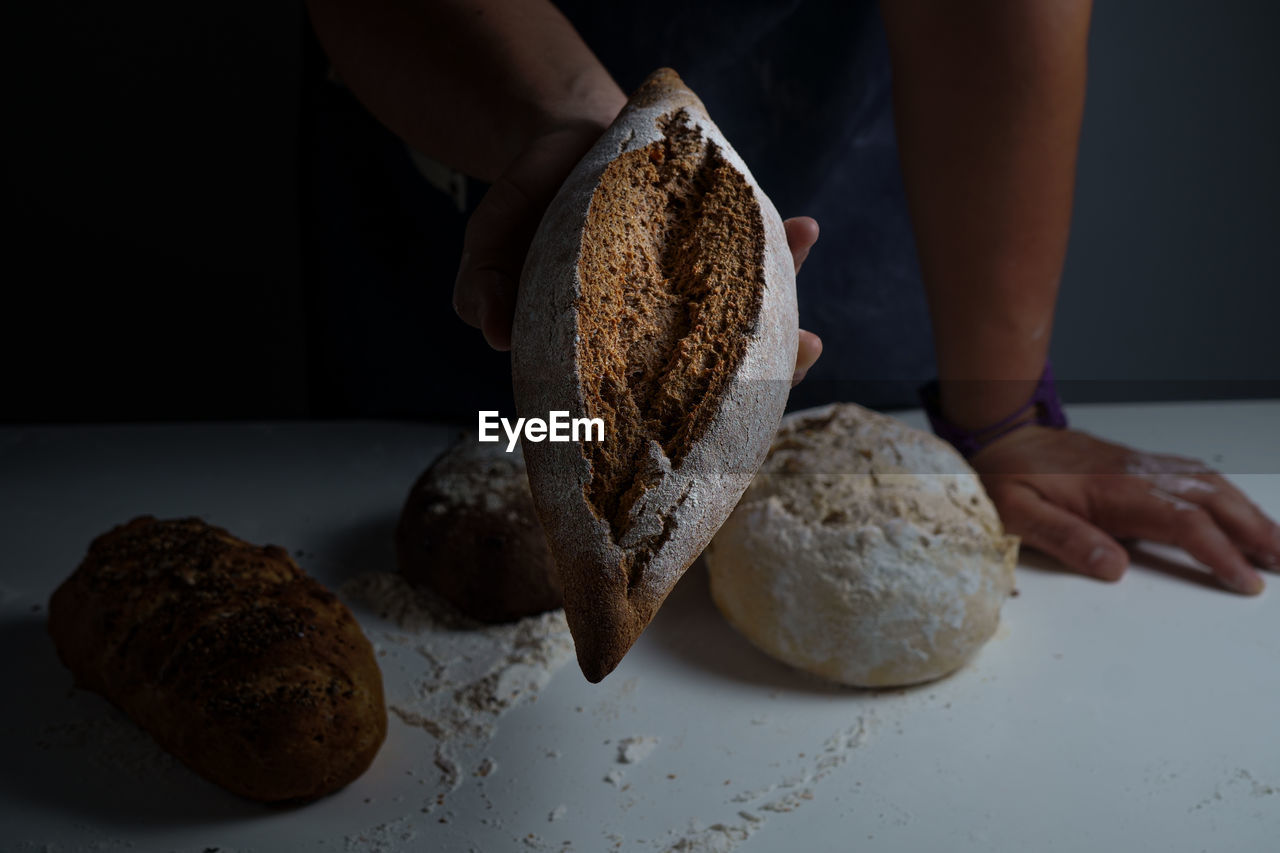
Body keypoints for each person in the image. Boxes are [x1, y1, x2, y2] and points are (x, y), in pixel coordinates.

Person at [303, 0, 1280, 594]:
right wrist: (589, 142)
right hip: (475, 197)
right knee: (482, 487)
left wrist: (1003, 412)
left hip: (832, 253)